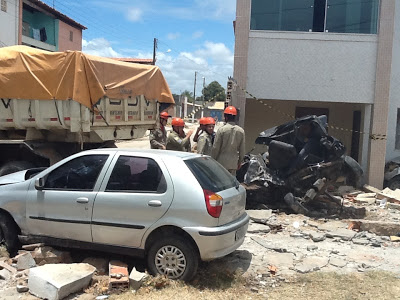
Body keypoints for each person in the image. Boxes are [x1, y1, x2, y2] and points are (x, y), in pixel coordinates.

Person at [211, 106, 245, 175]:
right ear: (235, 117)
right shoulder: (241, 131)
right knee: (231, 183)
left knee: (221, 182)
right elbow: (242, 149)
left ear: (226, 117)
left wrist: (213, 161)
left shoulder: (221, 130)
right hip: (233, 163)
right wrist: (240, 162)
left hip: (221, 162)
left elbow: (215, 148)